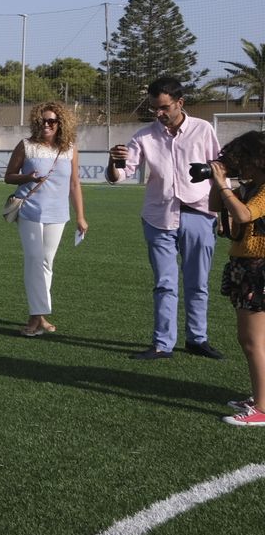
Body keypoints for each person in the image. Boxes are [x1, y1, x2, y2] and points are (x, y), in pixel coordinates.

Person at [108, 77, 224, 360]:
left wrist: (223, 211)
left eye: (163, 107)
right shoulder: (144, 136)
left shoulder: (203, 129)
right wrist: (114, 162)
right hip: (158, 217)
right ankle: (162, 344)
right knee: (164, 282)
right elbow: (119, 177)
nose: (158, 113)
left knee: (198, 282)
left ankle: (197, 339)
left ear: (179, 103)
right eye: (154, 108)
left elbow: (220, 167)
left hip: (199, 213)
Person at [4, 102, 88, 336]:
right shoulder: (26, 146)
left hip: (58, 214)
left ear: (61, 123)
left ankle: (38, 316)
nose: (47, 124)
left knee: (47, 263)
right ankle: (36, 317)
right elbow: (8, 177)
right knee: (34, 259)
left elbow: (74, 184)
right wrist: (27, 178)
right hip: (29, 210)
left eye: (52, 121)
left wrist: (81, 216)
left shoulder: (69, 148)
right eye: (43, 121)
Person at [208, 133, 265, 425]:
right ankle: (259, 398)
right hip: (246, 264)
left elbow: (243, 216)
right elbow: (215, 206)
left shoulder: (264, 189)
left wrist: (224, 184)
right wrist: (218, 182)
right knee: (250, 339)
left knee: (253, 340)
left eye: (240, 160)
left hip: (259, 268)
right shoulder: (250, 186)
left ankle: (262, 409)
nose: (237, 165)